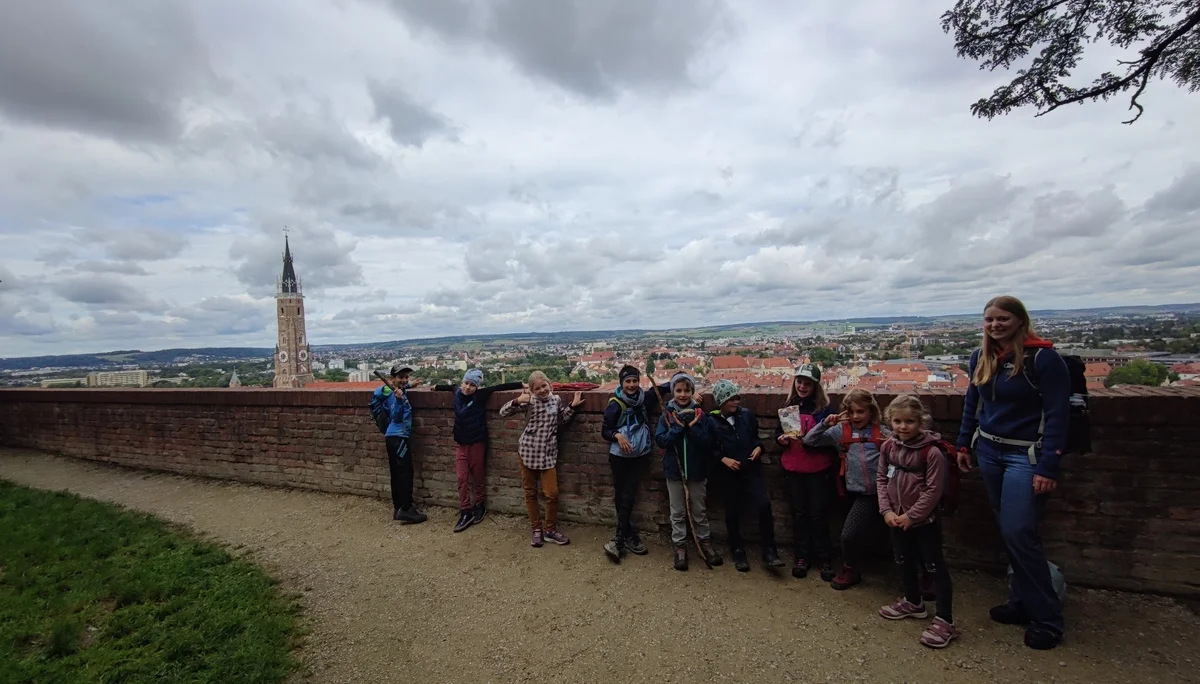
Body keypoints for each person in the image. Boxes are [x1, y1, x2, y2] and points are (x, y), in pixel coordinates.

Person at [957, 295, 1070, 650]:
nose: (994, 325)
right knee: (1010, 533)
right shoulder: (982, 357)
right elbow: (972, 404)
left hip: (1027, 455)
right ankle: (1022, 602)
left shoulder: (1044, 359)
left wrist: (1049, 465)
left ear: (1020, 320)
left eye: (1002, 318)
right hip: (989, 449)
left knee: (1020, 532)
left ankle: (1048, 619)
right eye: (989, 319)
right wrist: (963, 444)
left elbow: (1057, 416)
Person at [877, 395, 960, 649]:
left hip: (924, 521)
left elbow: (933, 491)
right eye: (898, 421)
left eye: (909, 421)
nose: (903, 427)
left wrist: (912, 516)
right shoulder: (888, 447)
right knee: (903, 559)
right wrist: (886, 511)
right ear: (890, 421)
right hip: (896, 517)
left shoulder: (931, 452)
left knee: (934, 566)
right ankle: (913, 602)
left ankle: (946, 619)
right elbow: (881, 479)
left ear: (921, 421)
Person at [804, 388, 890, 590]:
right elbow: (809, 440)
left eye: (861, 411)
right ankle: (850, 569)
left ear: (871, 411)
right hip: (859, 494)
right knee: (849, 535)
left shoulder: (882, 431)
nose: (856, 416)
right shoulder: (841, 431)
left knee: (903, 536)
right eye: (851, 412)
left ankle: (923, 575)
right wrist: (825, 423)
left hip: (885, 492)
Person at [706, 379, 785, 572]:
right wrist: (723, 459)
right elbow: (708, 447)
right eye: (731, 399)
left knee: (763, 505)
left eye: (737, 398)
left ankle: (769, 550)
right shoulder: (711, 421)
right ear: (721, 401)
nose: (736, 402)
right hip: (728, 473)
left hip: (751, 468)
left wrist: (759, 447)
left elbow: (756, 438)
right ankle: (737, 549)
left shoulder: (747, 416)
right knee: (732, 511)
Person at [499, 371, 584, 548]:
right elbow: (503, 412)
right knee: (530, 493)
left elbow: (561, 420)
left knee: (551, 493)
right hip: (528, 452)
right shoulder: (529, 402)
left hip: (548, 454)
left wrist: (573, 407)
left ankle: (550, 530)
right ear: (531, 390)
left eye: (544, 386)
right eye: (537, 388)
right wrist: (517, 400)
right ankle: (536, 529)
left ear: (549, 384)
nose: (542, 390)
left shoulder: (556, 400)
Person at [434, 369, 523, 532]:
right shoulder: (457, 392)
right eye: (466, 383)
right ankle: (465, 510)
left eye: (472, 385)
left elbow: (500, 387)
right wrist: (436, 387)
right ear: (462, 382)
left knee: (477, 476)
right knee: (461, 478)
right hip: (460, 444)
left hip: (476, 443)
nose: (468, 387)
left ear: (477, 386)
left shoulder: (480, 396)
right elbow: (450, 387)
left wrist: (522, 385)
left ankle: (480, 505)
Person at [654, 372, 722, 570]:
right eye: (678, 390)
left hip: (697, 470)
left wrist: (691, 428)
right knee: (677, 512)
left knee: (699, 510)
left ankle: (705, 543)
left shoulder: (701, 415)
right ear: (673, 392)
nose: (683, 394)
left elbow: (709, 442)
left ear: (692, 392)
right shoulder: (667, 415)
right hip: (675, 471)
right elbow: (661, 440)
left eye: (686, 390)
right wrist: (678, 429)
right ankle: (680, 546)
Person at [776, 364, 838, 581]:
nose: (802, 386)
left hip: (817, 470)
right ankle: (802, 556)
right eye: (799, 382)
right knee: (800, 515)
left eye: (807, 383)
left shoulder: (825, 410)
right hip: (794, 469)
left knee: (818, 515)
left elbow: (832, 441)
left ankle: (824, 558)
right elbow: (779, 434)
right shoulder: (789, 407)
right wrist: (782, 440)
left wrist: (811, 441)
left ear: (815, 386)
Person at [600, 364, 666, 561]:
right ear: (622, 383)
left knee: (627, 494)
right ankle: (623, 537)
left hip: (639, 454)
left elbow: (664, 388)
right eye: (627, 381)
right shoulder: (615, 404)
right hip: (619, 456)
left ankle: (623, 537)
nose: (631, 385)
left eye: (635, 381)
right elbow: (605, 430)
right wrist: (617, 435)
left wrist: (686, 385)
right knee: (624, 494)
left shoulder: (645, 399)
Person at [373, 364, 426, 523]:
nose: (404, 380)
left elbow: (397, 390)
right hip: (399, 437)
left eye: (406, 377)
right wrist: (400, 401)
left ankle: (398, 507)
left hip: (393, 437)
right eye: (400, 377)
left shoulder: (393, 390)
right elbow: (396, 416)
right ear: (392, 379)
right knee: (405, 473)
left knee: (396, 474)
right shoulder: (394, 395)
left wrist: (410, 386)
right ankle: (406, 509)